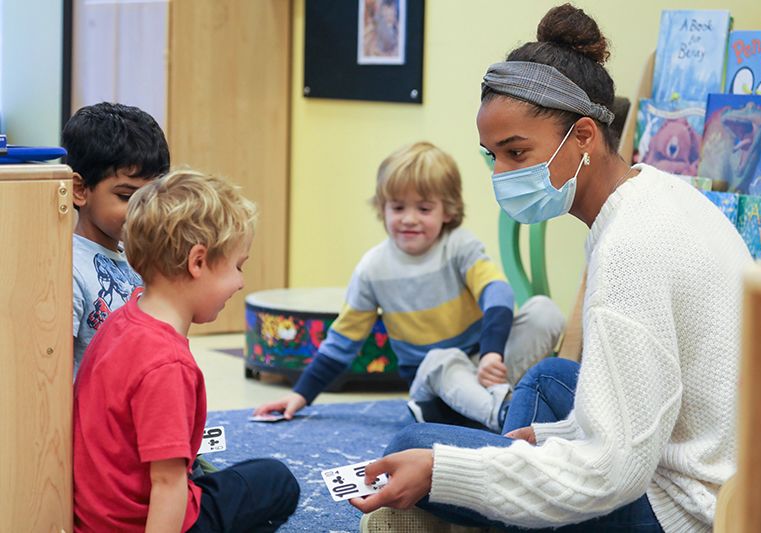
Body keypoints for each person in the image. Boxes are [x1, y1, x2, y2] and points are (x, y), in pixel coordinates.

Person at [351, 5, 753, 532]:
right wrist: (543, 442)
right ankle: (509, 503)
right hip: (720, 464)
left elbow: (613, 473)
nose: (500, 174)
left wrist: (450, 472)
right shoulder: (658, 191)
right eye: (492, 155)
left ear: (584, 135)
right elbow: (657, 402)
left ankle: (501, 511)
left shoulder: (630, 248)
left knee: (414, 447)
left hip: (689, 510)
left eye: (517, 152)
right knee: (545, 381)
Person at [255, 141, 563, 432]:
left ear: (449, 211)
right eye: (398, 207)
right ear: (382, 208)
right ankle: (503, 416)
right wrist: (301, 394)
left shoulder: (459, 246)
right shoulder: (372, 269)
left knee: (544, 311)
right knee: (441, 359)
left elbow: (498, 293)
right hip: (432, 378)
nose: (409, 219)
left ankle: (470, 413)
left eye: (424, 209)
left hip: (484, 366)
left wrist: (491, 354)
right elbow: (342, 343)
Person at [73, 170, 300, 532]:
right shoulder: (167, 363)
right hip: (138, 523)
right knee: (276, 481)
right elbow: (167, 486)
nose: (240, 282)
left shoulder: (122, 320)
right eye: (237, 266)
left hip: (98, 516)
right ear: (197, 261)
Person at [63, 102, 170, 377]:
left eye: (152, 196)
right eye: (126, 196)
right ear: (79, 190)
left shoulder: (139, 255)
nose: (143, 209)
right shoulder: (68, 271)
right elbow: (51, 377)